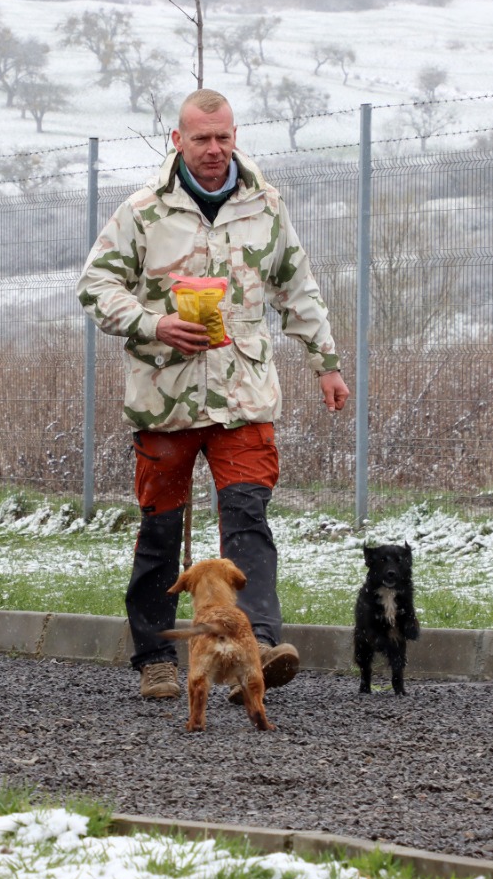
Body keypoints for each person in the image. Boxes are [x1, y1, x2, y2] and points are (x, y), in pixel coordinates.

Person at [76, 88, 350, 700]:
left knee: (248, 519)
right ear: (178, 140)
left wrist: (325, 363)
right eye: (200, 138)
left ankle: (262, 645)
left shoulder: (265, 205)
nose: (214, 149)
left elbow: (297, 287)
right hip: (165, 395)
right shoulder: (143, 211)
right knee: (160, 529)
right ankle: (155, 656)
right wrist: (152, 323)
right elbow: (94, 285)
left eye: (223, 136)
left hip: (244, 393)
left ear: (235, 135)